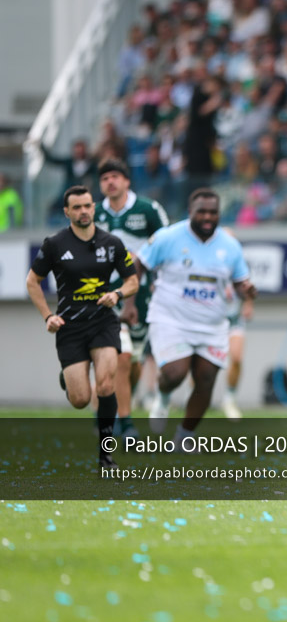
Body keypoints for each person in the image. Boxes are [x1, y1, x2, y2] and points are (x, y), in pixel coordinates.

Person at [25, 185, 138, 468]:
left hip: (103, 322)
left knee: (106, 384)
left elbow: (132, 280)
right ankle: (68, 377)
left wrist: (117, 294)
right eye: (77, 207)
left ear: (93, 207)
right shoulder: (54, 244)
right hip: (71, 327)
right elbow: (32, 282)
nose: (83, 211)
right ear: (67, 212)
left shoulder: (112, 243)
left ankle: (105, 453)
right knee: (80, 399)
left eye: (87, 206)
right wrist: (48, 316)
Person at [136, 188, 257, 444]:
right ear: (190, 211)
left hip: (211, 324)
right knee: (175, 373)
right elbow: (139, 264)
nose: (207, 217)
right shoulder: (168, 237)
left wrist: (245, 290)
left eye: (213, 212)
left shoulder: (230, 245)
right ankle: (163, 396)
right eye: (201, 211)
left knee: (206, 378)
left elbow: (239, 281)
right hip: (171, 318)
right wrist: (129, 302)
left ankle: (185, 437)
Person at [94, 159, 169, 437]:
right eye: (104, 178)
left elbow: (166, 244)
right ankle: (123, 423)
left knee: (134, 361)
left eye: (115, 176)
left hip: (140, 295)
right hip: (103, 295)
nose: (110, 182)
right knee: (121, 358)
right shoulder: (92, 212)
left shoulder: (148, 209)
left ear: (126, 181)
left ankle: (112, 399)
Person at [220, 287, 254, 420]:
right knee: (200, 361)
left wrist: (248, 303)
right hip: (211, 319)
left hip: (234, 319)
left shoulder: (237, 266)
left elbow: (247, 283)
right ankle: (192, 397)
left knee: (237, 357)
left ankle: (229, 399)